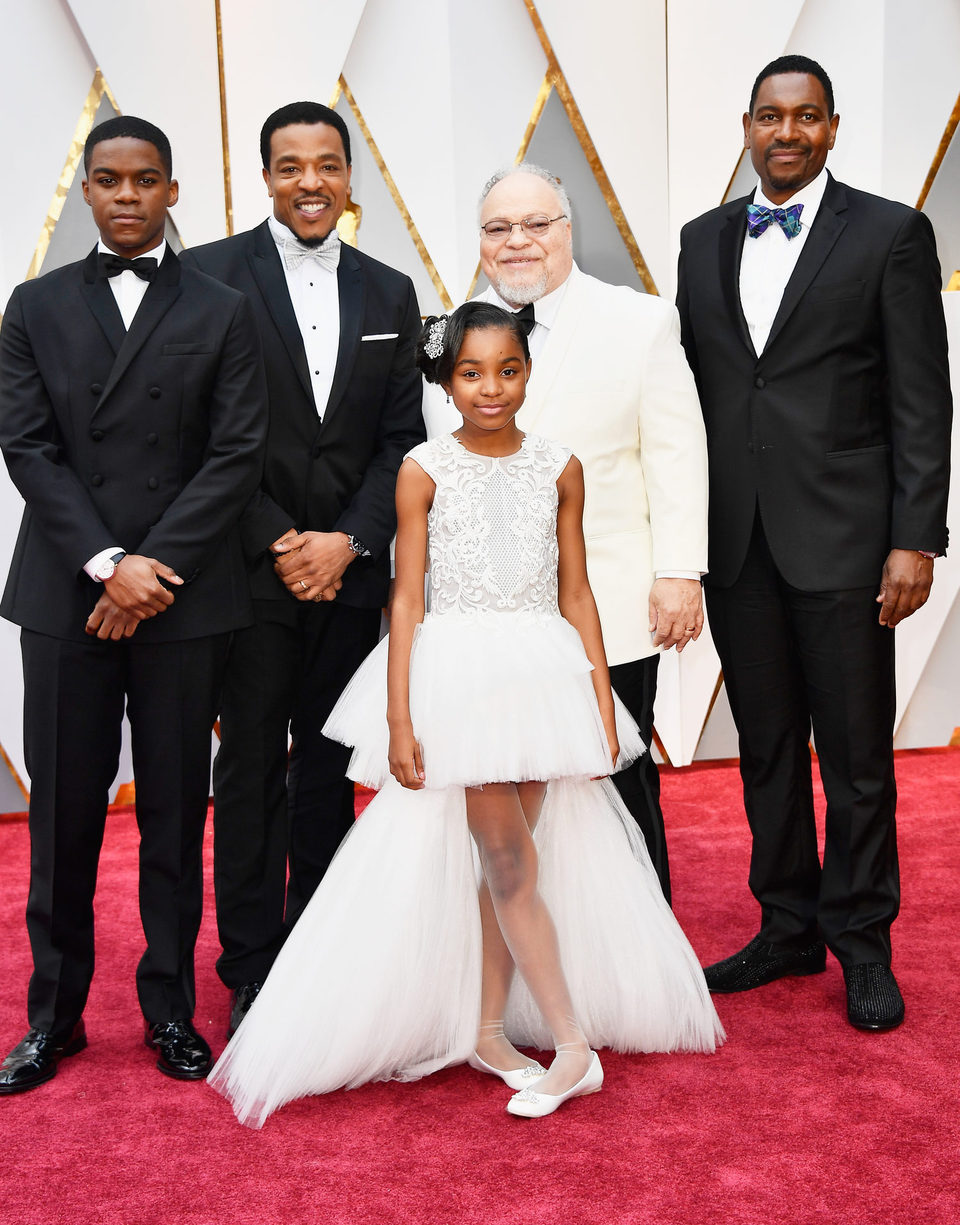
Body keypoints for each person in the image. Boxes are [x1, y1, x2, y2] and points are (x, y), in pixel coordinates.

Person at [208, 302, 723, 1128]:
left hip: (543, 673)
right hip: (459, 679)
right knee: (512, 862)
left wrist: (598, 694)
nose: (493, 388)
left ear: (529, 372)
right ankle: (574, 1047)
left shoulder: (560, 465)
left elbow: (578, 589)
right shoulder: (422, 469)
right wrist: (401, 716)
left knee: (504, 865)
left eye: (509, 370)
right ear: (446, 383)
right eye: (473, 373)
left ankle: (488, 1028)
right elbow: (406, 598)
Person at [676, 55, 952, 1030]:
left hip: (846, 541)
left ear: (831, 128)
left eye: (805, 118)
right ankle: (787, 924)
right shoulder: (699, 240)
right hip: (737, 541)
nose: (785, 133)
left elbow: (923, 399)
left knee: (857, 759)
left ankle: (864, 945)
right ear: (746, 126)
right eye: (768, 117)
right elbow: (696, 395)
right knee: (764, 752)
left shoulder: (890, 233)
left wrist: (915, 537)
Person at [0, 116, 267, 1093]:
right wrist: (110, 563)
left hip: (184, 598)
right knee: (63, 815)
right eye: (107, 180)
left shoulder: (222, 306)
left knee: (171, 813)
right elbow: (28, 448)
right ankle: (53, 1019)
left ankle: (168, 1013)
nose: (125, 195)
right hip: (68, 592)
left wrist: (150, 569)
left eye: (144, 180)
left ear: (171, 191)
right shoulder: (32, 305)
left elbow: (234, 453)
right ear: (84, 189)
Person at [180, 102, 425, 1037]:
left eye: (327, 164)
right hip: (247, 571)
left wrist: (349, 542)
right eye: (290, 167)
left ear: (350, 176)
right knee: (249, 767)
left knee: (328, 767)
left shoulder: (390, 291)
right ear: (265, 177)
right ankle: (249, 962)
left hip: (351, 574)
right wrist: (283, 540)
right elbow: (204, 436)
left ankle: (318, 950)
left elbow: (399, 438)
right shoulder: (205, 275)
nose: (310, 181)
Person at [426, 164, 708, 903]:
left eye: (536, 224)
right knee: (504, 781)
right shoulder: (448, 331)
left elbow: (675, 449)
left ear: (568, 229)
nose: (517, 241)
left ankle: (642, 954)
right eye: (497, 228)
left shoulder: (640, 319)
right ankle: (524, 961)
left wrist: (680, 568)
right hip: (489, 617)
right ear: (480, 241)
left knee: (615, 778)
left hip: (609, 603)